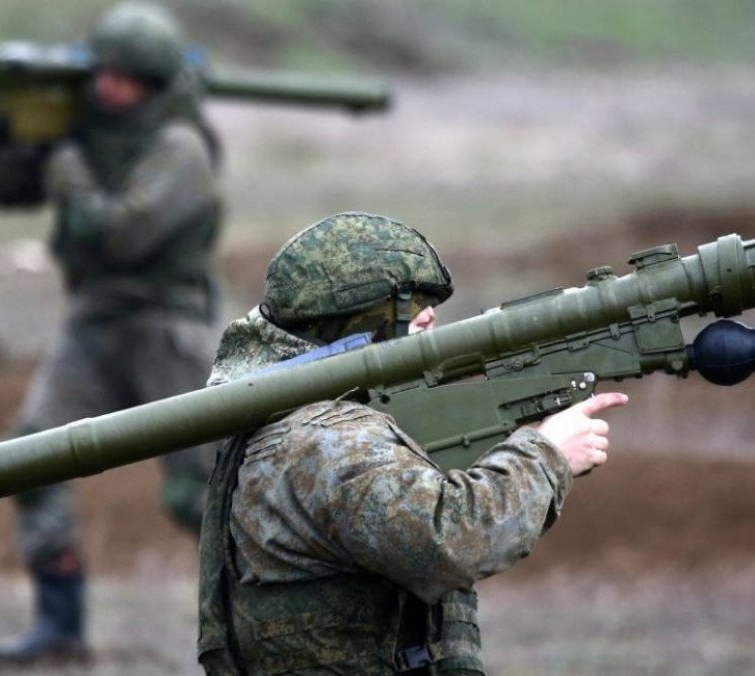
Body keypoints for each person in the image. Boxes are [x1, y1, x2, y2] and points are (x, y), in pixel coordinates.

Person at [197, 212, 628, 674]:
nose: (430, 316)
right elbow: (448, 540)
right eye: (405, 304)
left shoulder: (296, 418)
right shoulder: (330, 442)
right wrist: (548, 455)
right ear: (348, 318)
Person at [0, 2, 223, 664]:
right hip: (92, 324)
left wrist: (67, 171)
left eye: (123, 78)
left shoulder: (181, 149)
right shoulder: (83, 134)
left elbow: (122, 233)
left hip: (166, 329)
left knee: (197, 494)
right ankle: (60, 626)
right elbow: (10, 192)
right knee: (30, 455)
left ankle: (258, 619)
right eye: (102, 74)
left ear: (150, 84)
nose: (105, 87)